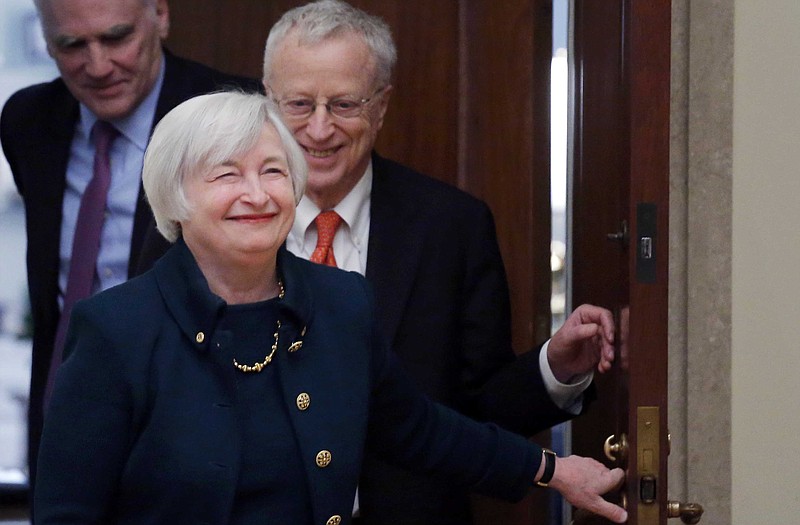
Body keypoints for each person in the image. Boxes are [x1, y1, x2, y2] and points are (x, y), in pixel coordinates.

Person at [34, 90, 627, 525]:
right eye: (225, 174)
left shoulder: (341, 302)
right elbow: (67, 513)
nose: (257, 193)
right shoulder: (117, 331)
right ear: (176, 197)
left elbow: (417, 428)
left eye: (272, 170)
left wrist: (551, 471)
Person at [134, 2, 619, 523]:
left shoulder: (449, 226)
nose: (319, 130)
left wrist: (556, 370)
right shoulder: (199, 228)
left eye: (343, 104)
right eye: (298, 104)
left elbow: (468, 414)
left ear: (381, 106)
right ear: (267, 103)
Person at [0, 0, 259, 491]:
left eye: (117, 38)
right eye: (71, 45)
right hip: (63, 429)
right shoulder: (28, 122)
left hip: (197, 442)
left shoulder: (232, 117)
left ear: (159, 14)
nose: (97, 67)